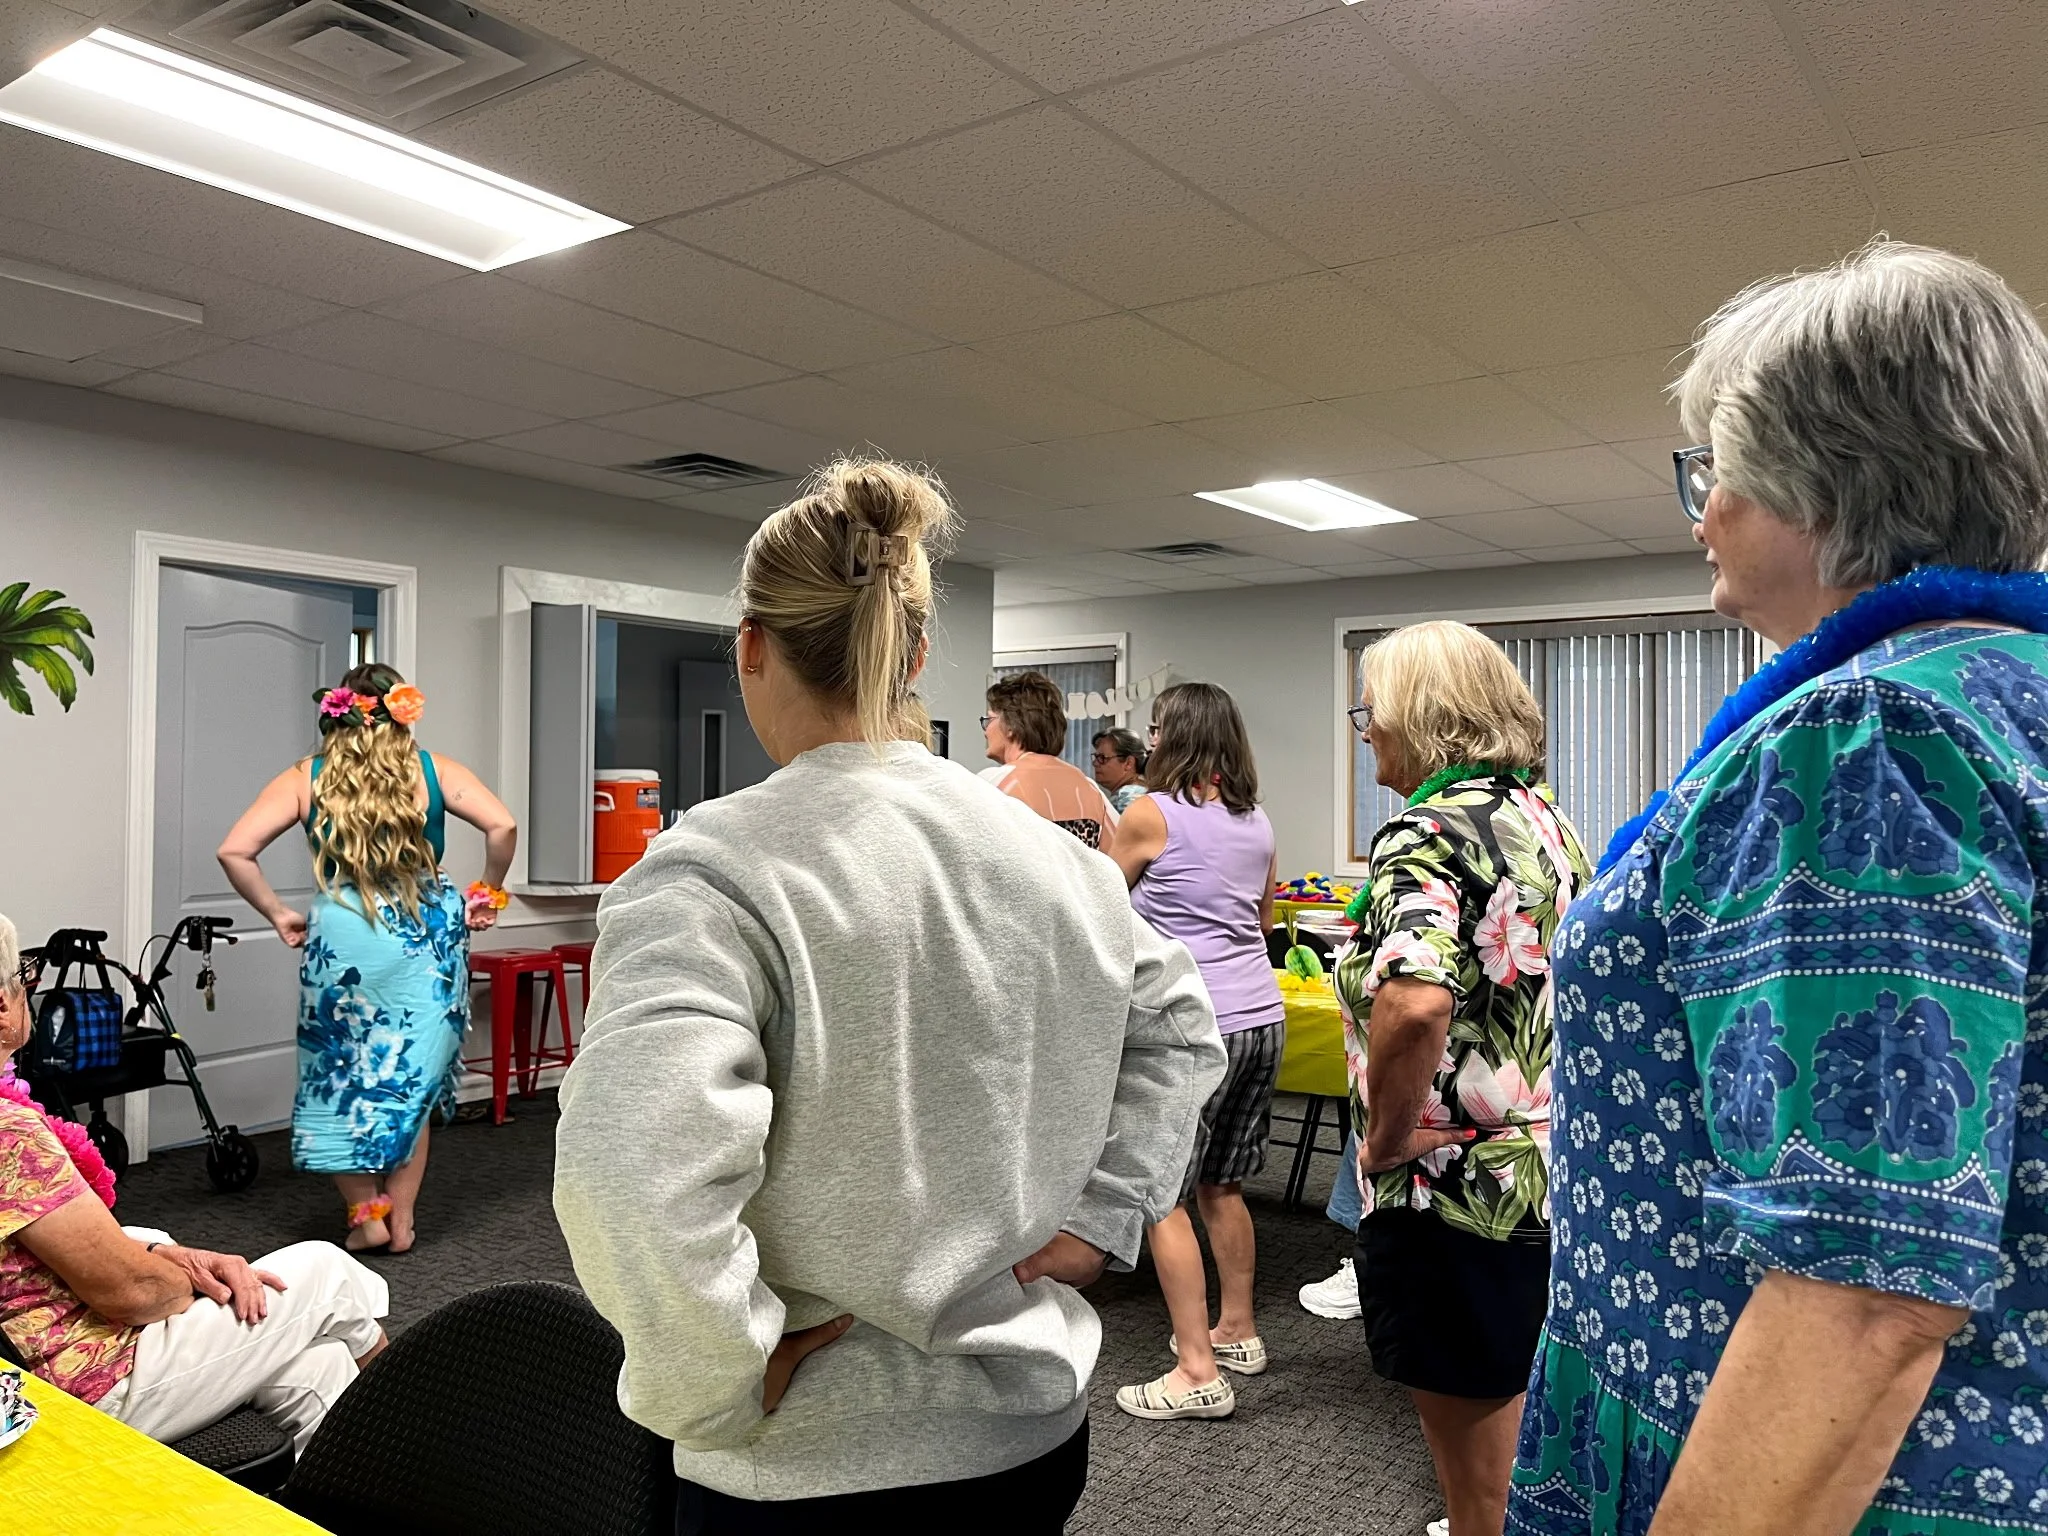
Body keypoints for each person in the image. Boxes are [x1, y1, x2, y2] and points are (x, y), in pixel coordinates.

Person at [551, 459, 1225, 1531]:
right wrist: (1101, 1217)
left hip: (810, 1463)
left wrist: (707, 1392)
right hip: (1029, 1439)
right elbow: (1183, 1027)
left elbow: (629, 1169)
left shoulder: (710, 870)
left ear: (750, 648)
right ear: (913, 655)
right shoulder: (1054, 858)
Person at [1510, 241, 2048, 1536]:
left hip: (1799, 1469)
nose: (1698, 511)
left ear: (1829, 476)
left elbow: (1863, 1299)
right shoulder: (2005, 691)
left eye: (1718, 472)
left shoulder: (1868, 737)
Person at [1339, 621, 1590, 1536]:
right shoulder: (1540, 819)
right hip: (1538, 1177)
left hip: (1453, 1191)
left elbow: (1414, 1004)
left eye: (1374, 709)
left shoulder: (1426, 833)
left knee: (1478, 1485)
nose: (1365, 728)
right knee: (1523, 1444)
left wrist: (1387, 1139)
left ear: (1424, 717)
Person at [0, 914, 387, 1454]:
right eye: (23, 974)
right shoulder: (8, 1130)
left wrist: (167, 1253)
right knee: (326, 1272)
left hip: (44, 1359)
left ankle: (354, 1499)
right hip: (78, 1382)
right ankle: (423, 1435)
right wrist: (197, 1281)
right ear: (1, 1005)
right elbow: (132, 1293)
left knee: (316, 1365)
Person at [217, 663, 516, 1254]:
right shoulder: (433, 770)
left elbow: (235, 849)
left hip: (345, 936)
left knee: (340, 1077)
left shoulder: (306, 777)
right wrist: (486, 894)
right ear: (401, 712)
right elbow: (502, 825)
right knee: (411, 1079)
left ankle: (367, 1213)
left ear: (336, 714)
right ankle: (401, 1219)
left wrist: (279, 914)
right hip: (425, 936)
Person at [1109, 682, 1284, 1421]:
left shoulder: (1148, 814)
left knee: (1160, 1195)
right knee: (1224, 1184)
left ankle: (1196, 1369)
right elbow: (1264, 918)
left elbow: (1099, 910)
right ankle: (1238, 1331)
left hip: (1193, 1026)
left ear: (1172, 735)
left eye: (1153, 729)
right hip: (1261, 1016)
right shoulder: (1259, 823)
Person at [983, 672, 1119, 852]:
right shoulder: (1090, 789)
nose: (985, 731)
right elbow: (1115, 860)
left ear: (1010, 725)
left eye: (989, 719)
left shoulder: (991, 784)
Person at [1091, 727, 1148, 814]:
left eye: (1102, 757)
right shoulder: (1144, 791)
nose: (1095, 763)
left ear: (1128, 763)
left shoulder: (1125, 799)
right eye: (1096, 757)